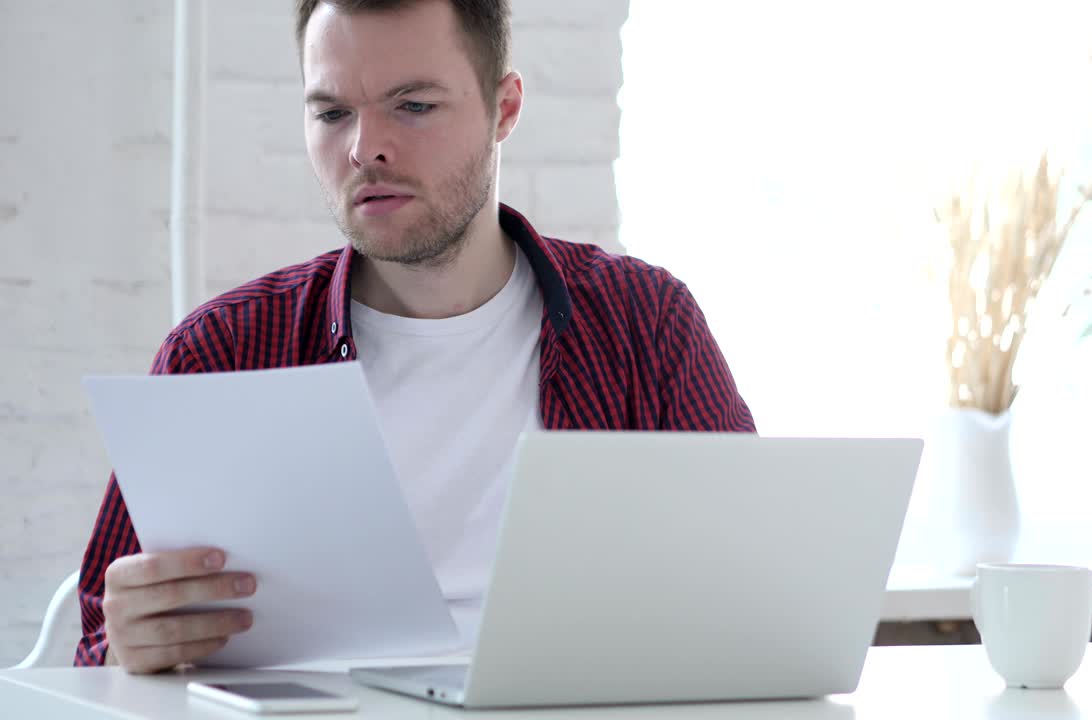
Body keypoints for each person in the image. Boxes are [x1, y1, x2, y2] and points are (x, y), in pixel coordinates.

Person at [75, 0, 753, 674]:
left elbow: (753, 590)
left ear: (504, 109)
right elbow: (99, 650)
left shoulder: (645, 323)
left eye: (415, 106)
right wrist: (128, 646)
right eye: (332, 113)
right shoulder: (222, 353)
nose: (364, 147)